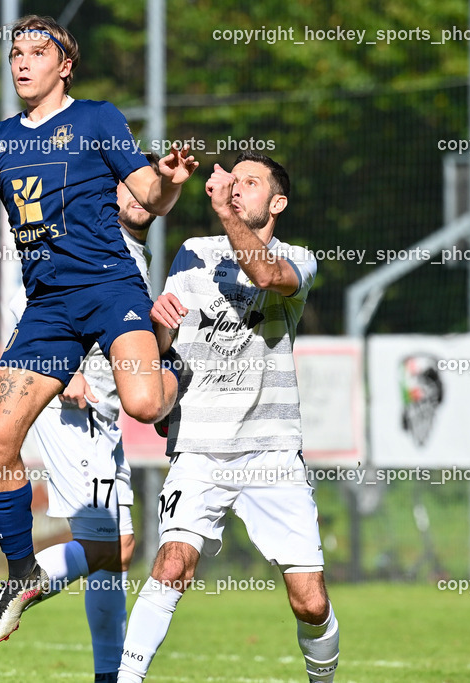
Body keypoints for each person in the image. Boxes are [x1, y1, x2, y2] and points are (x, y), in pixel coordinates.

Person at [0, 14, 197, 644]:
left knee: (144, 405)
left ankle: (176, 376)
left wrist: (170, 180)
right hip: (48, 307)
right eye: (15, 53)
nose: (22, 62)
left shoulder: (97, 118)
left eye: (37, 52)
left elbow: (149, 195)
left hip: (110, 288)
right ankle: (19, 578)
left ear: (64, 66)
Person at [117, 153, 339, 683]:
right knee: (172, 565)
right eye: (232, 181)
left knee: (310, 603)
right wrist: (160, 324)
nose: (236, 189)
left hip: (272, 452)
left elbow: (263, 272)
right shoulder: (193, 252)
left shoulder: (298, 259)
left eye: (250, 183)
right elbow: (164, 346)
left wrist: (223, 212)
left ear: (277, 203)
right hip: (199, 446)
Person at [0, 155, 162, 683]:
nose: (138, 195)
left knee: (115, 555)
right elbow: (30, 301)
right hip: (72, 410)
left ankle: (108, 675)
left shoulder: (135, 253)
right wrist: (66, 371)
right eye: (129, 185)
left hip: (104, 416)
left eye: (149, 187)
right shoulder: (89, 237)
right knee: (114, 546)